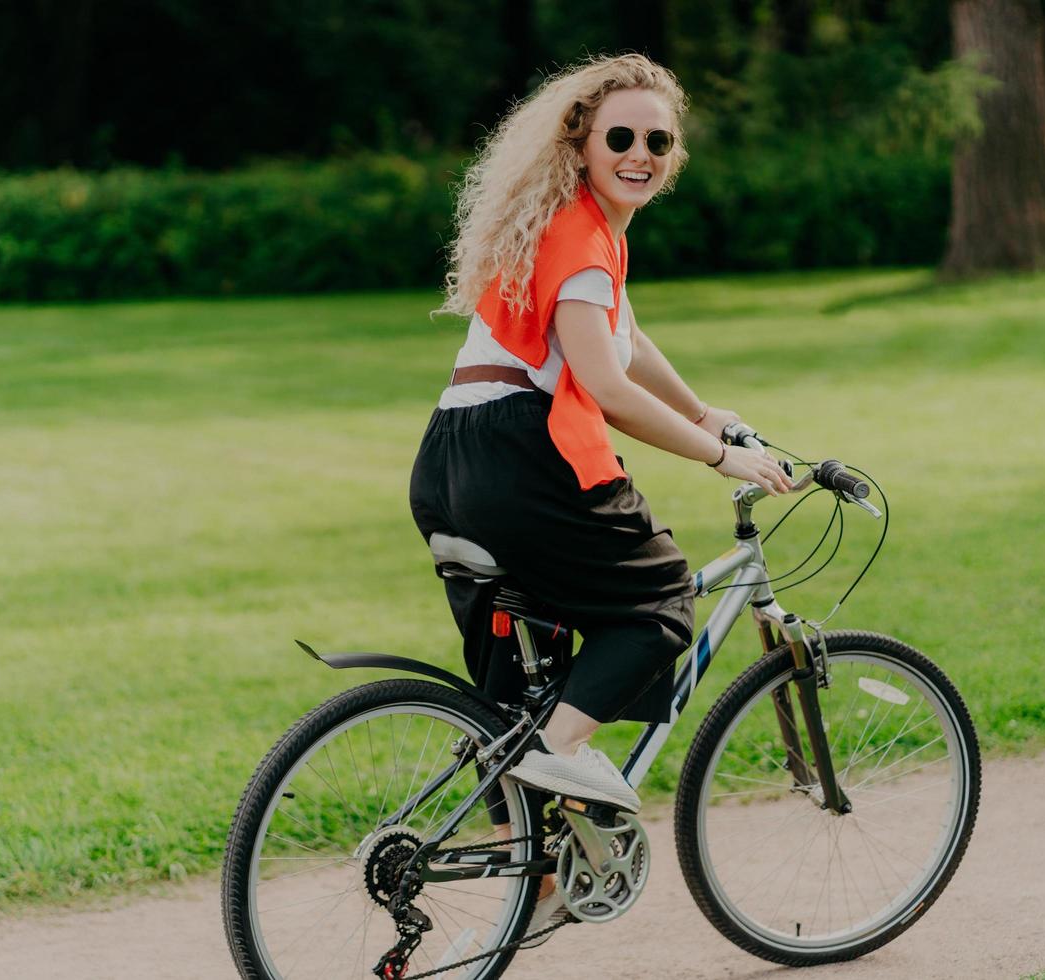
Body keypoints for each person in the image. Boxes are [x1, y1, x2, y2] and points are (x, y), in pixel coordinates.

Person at [408, 53, 792, 937]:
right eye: (622, 136)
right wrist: (715, 455)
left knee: (514, 688)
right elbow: (606, 386)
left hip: (448, 465)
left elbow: (626, 335)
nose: (641, 153)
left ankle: (534, 876)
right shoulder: (580, 237)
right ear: (580, 141)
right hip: (521, 456)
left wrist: (705, 410)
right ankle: (555, 758)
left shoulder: (570, 229)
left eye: (660, 141)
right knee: (657, 605)